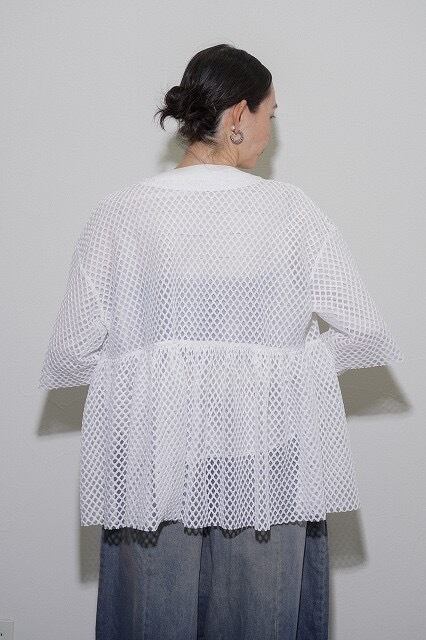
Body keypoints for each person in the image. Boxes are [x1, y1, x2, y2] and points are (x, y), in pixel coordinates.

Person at [38, 43, 404, 639]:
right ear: (238, 116)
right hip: (265, 468)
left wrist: (159, 370)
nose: (270, 131)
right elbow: (364, 334)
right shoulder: (290, 212)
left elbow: (73, 354)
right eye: (270, 115)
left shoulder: (121, 213)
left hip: (154, 468)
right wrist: (281, 372)